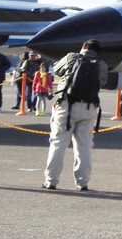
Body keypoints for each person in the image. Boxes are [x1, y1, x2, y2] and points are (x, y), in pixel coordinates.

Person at [43, 39, 108, 191]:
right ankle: (83, 182)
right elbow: (103, 82)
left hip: (67, 105)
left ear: (84, 47)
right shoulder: (101, 64)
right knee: (84, 146)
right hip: (89, 106)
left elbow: (57, 69)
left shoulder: (72, 57)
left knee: (58, 143)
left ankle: (51, 181)